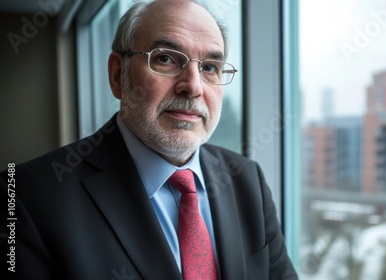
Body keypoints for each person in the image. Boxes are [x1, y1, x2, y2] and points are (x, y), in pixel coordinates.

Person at [0, 0, 298, 279]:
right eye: (166, 59)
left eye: (209, 67)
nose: (192, 86)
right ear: (118, 75)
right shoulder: (22, 196)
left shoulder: (248, 179)